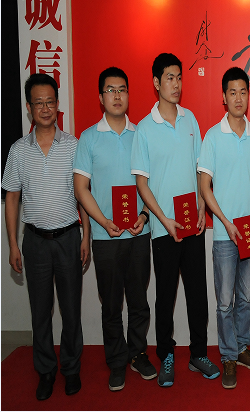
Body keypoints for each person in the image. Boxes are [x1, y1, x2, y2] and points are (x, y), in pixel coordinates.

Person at [131, 53, 219, 387]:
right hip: (163, 228)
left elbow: (200, 170)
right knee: (165, 296)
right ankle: (166, 355)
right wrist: (163, 219)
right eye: (170, 77)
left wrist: (201, 206)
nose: (176, 84)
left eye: (179, 77)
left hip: (192, 224)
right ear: (156, 83)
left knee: (198, 293)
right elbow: (142, 183)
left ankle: (199, 354)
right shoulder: (144, 129)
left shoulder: (190, 119)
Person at [2, 73, 90, 400]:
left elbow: (84, 194)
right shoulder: (18, 151)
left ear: (57, 105)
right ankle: (45, 370)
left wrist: (86, 237)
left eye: (50, 102)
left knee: (71, 310)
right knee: (40, 312)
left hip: (68, 238)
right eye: (38, 103)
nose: (45, 108)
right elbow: (12, 198)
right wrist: (13, 244)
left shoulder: (74, 146)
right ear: (29, 107)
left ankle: (71, 368)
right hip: (35, 241)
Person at [73, 67, 156, 391]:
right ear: (101, 97)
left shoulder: (141, 135)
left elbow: (152, 183)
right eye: (111, 90)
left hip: (138, 233)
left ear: (129, 95)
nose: (117, 95)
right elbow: (81, 188)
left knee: (138, 301)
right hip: (105, 236)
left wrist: (145, 215)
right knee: (111, 304)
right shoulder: (89, 138)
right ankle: (117, 361)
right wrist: (103, 222)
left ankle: (137, 353)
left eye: (122, 89)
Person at [199, 67, 250, 390]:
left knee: (246, 298)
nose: (238, 98)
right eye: (232, 92)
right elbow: (204, 186)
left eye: (243, 92)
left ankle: (241, 348)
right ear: (223, 97)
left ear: (248, 96)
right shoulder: (213, 136)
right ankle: (227, 356)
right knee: (225, 301)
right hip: (226, 236)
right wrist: (225, 222)